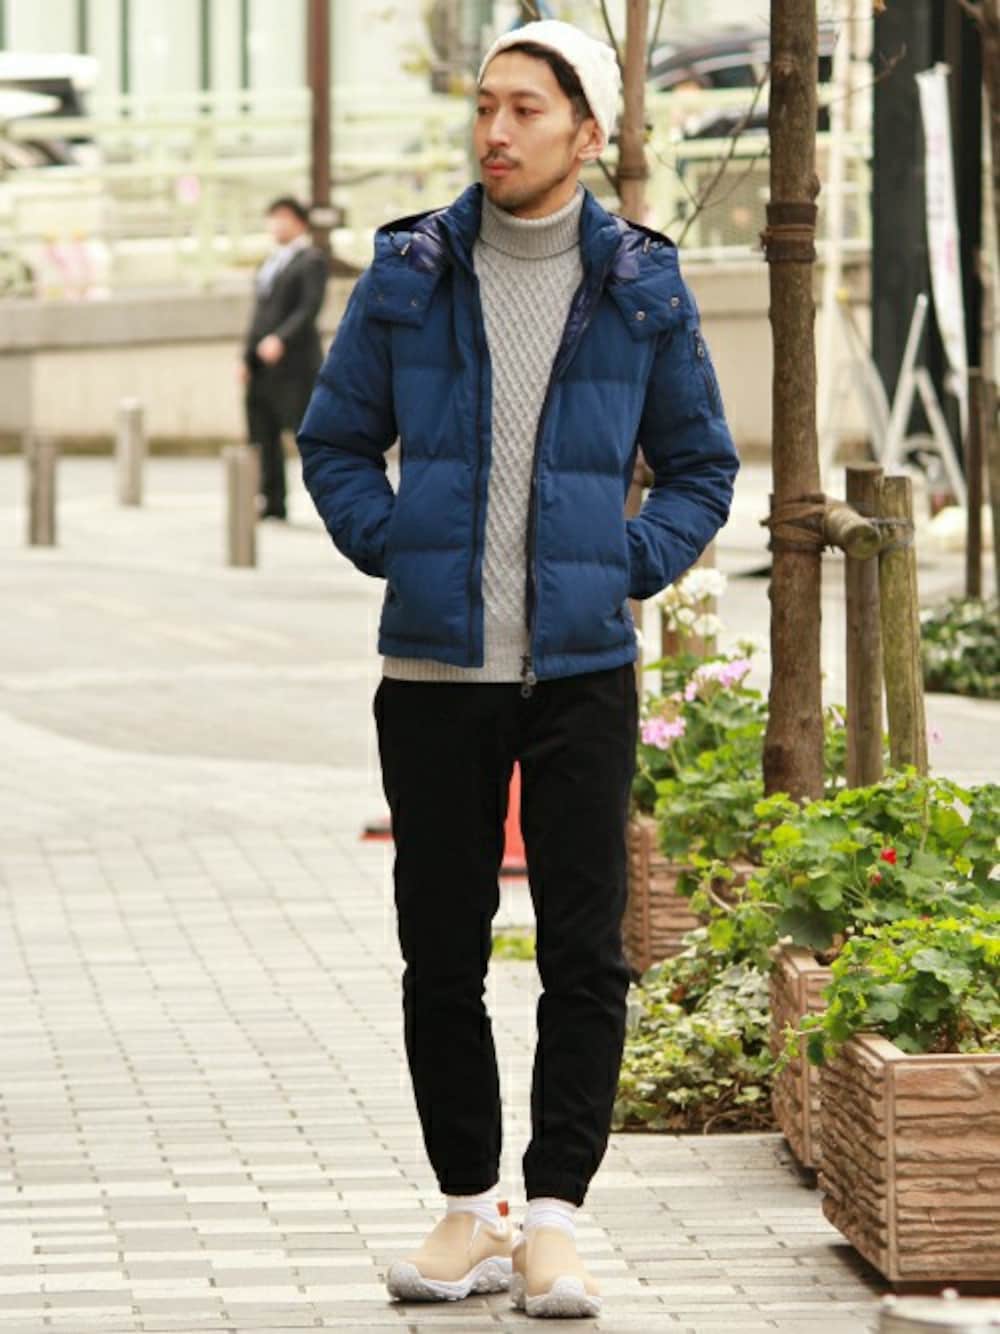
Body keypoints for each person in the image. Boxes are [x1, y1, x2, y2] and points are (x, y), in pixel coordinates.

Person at [297, 18, 738, 1321]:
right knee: (439, 951)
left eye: (526, 109)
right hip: (434, 673)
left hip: (581, 668)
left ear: (588, 134)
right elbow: (334, 442)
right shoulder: (410, 270)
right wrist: (398, 545)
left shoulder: (642, 284)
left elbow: (703, 465)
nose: (495, 129)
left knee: (584, 952)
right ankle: (467, 1207)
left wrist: (624, 563)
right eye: (485, 104)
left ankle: (552, 1221)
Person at [240, 196, 329, 520]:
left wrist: (281, 338)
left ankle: (333, 499)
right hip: (262, 365)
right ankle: (272, 501)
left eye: (283, 217)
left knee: (308, 434)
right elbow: (258, 315)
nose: (276, 224)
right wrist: (245, 357)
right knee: (262, 434)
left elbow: (308, 308)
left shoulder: (311, 260)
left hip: (296, 365)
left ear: (300, 223)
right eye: (272, 217)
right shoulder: (268, 263)